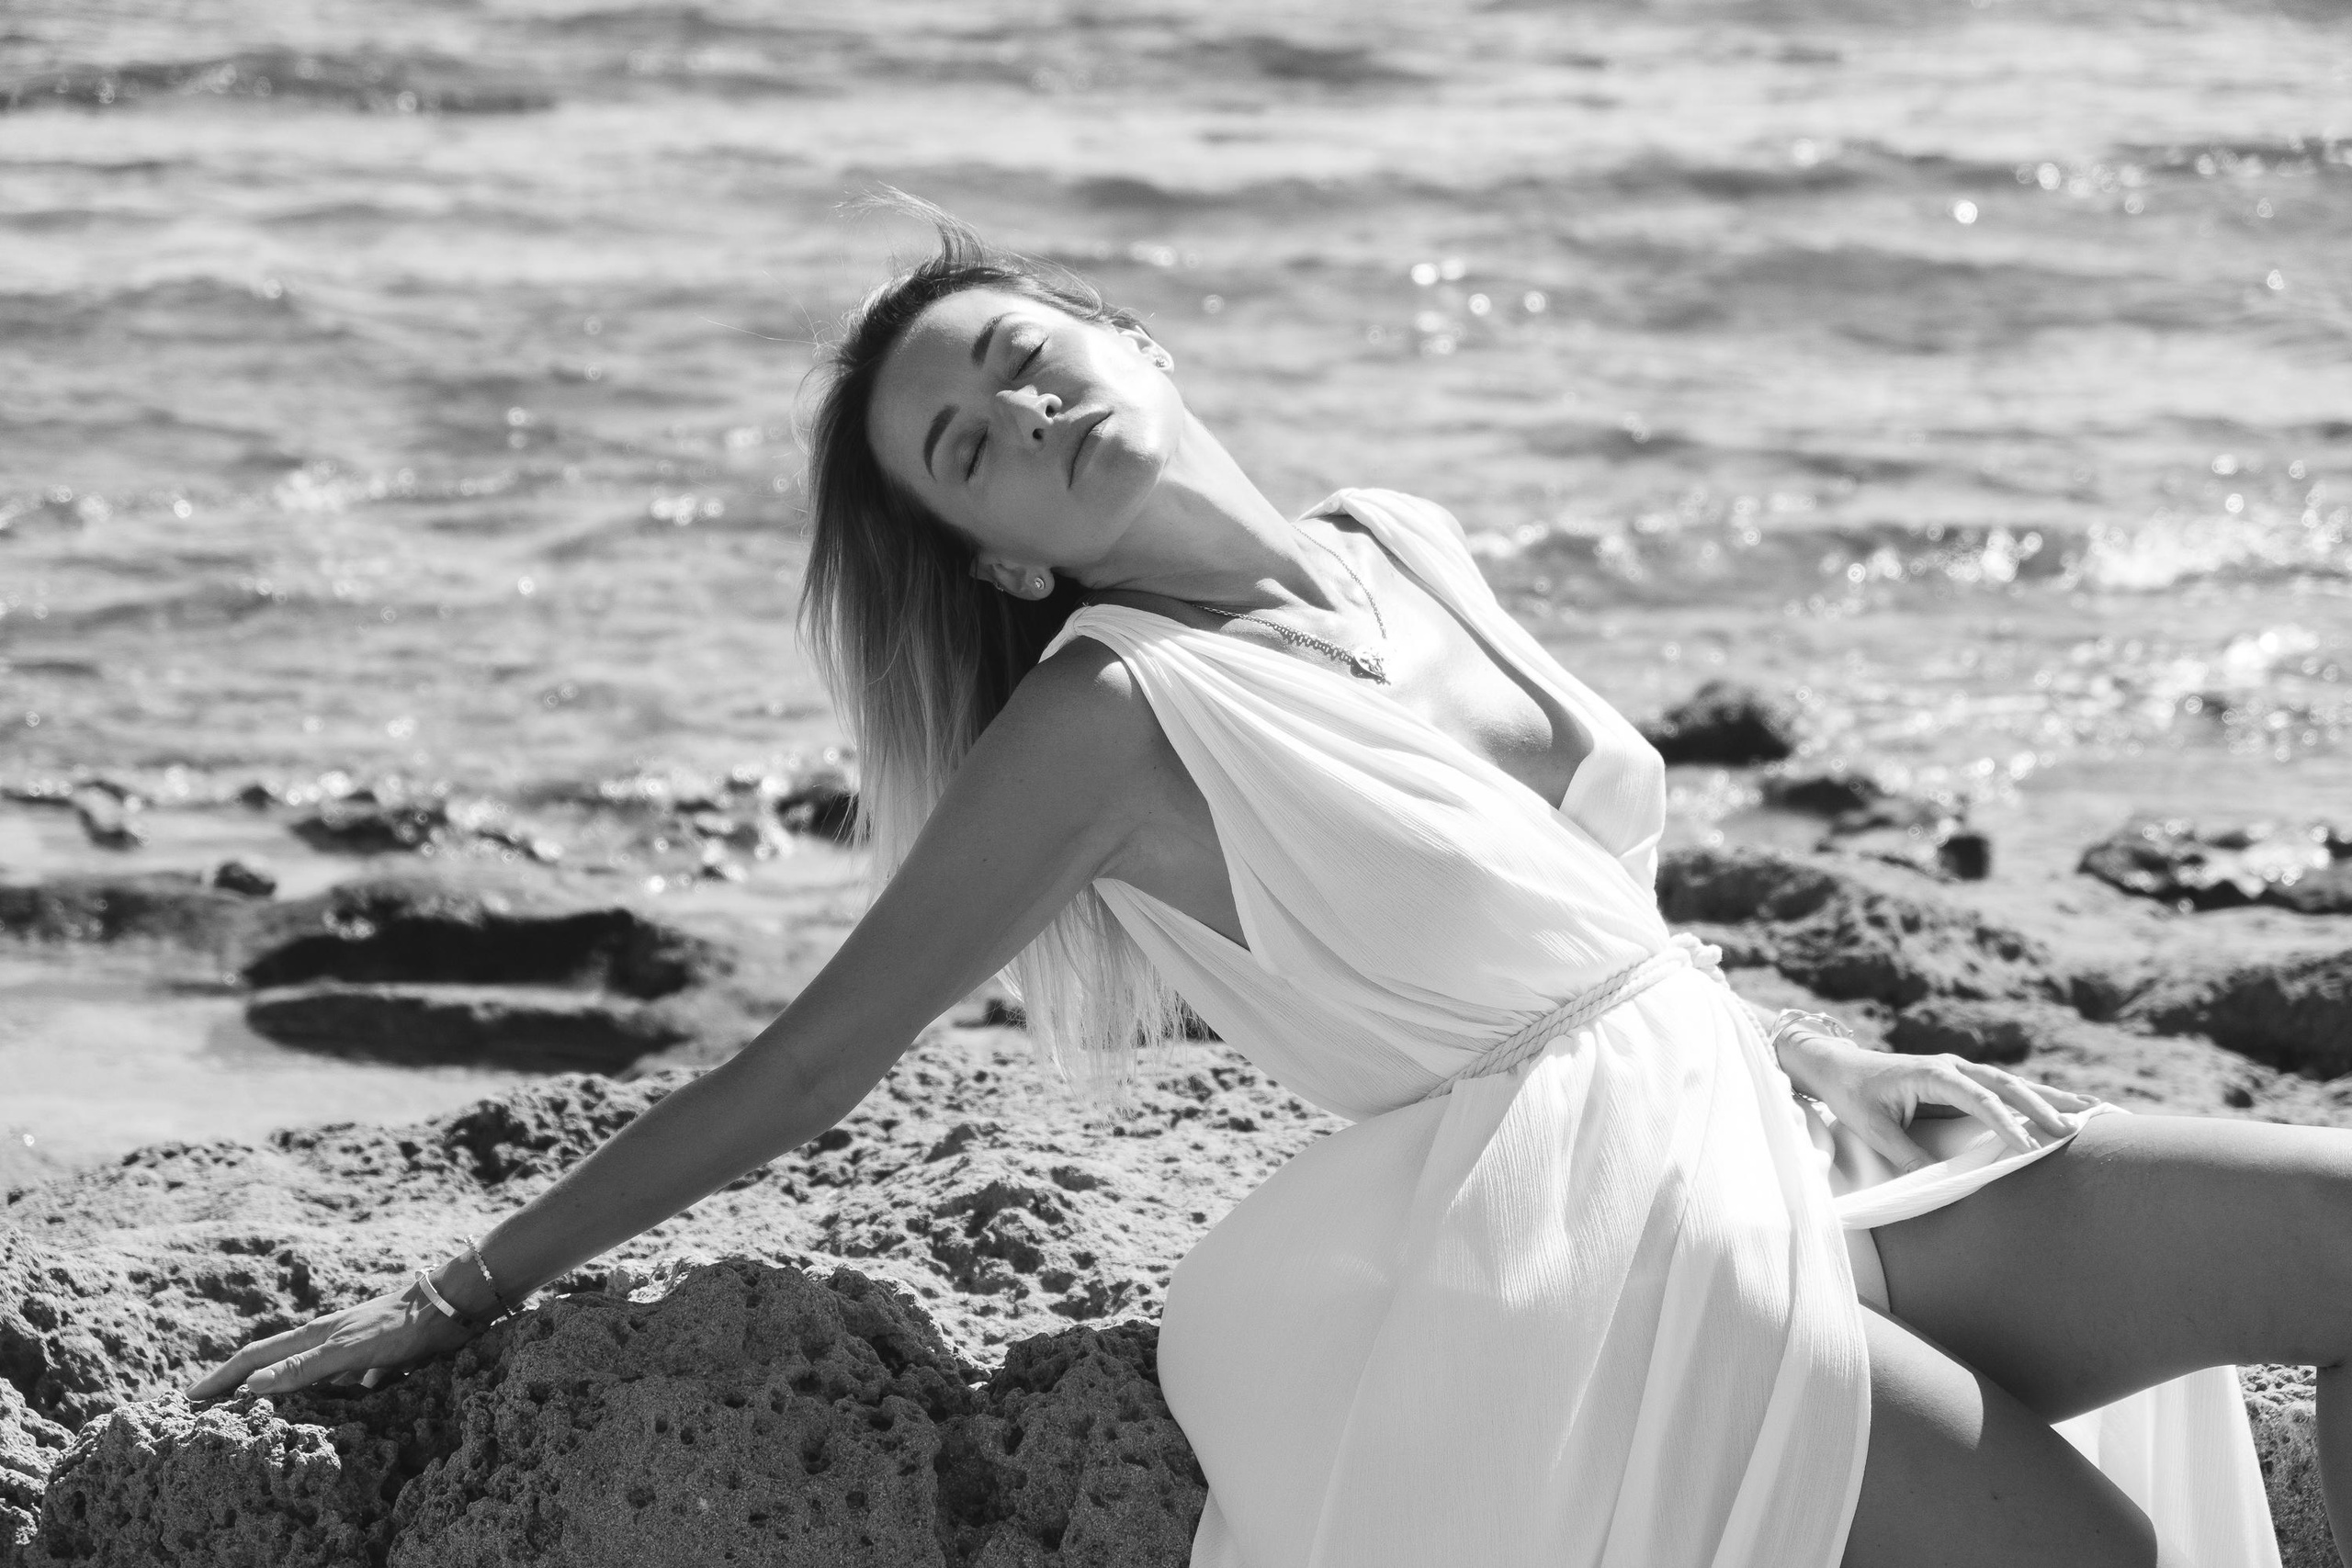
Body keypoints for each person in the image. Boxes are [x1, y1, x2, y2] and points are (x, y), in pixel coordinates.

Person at [191, 199, 2346, 1568]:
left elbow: (1570, 896)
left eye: (1023, 350)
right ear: (1005, 560)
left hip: (1758, 1125)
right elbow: (805, 1071)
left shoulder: (1398, 532)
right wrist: (461, 1284)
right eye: (965, 443)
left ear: (1128, 332)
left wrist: (1818, 1041)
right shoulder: (1105, 718)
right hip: (1597, 1254)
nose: (1017, 402)